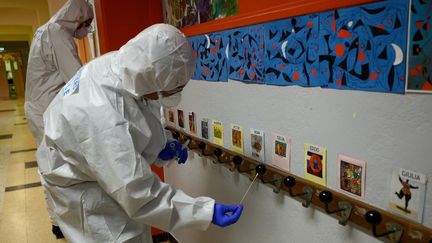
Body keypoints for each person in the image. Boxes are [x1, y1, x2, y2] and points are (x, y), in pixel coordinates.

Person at [36, 23, 243, 242]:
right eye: (171, 90)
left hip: (89, 161)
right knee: (124, 237)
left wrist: (160, 145)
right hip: (82, 187)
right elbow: (138, 194)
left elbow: (137, 111)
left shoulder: (124, 68)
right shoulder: (102, 117)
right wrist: (205, 211)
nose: (170, 95)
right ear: (152, 81)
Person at [24, 0, 94, 238]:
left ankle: (57, 221)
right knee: (55, 166)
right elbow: (77, 78)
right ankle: (62, 222)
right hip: (45, 111)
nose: (85, 30)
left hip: (39, 108)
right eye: (86, 24)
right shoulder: (57, 33)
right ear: (78, 18)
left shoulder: (46, 29)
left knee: (48, 164)